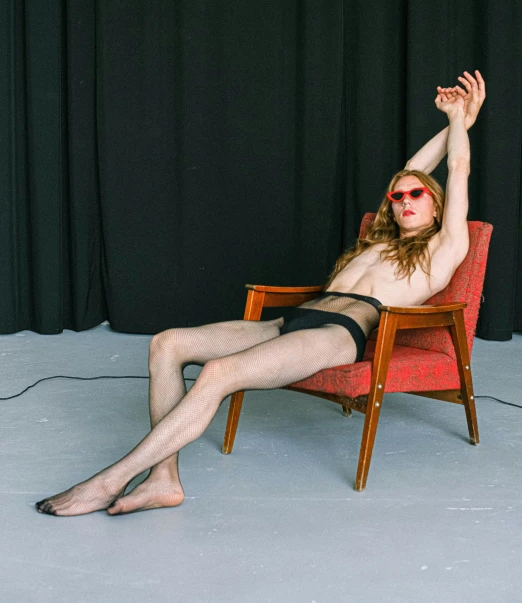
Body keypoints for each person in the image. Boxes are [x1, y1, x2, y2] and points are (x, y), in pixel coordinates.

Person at [36, 70, 486, 516]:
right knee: (167, 343)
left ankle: (109, 480)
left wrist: (462, 122)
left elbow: (457, 167)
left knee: (217, 373)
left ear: (437, 205)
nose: (405, 199)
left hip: (339, 334)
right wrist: (447, 119)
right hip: (295, 318)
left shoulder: (444, 248)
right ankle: (162, 479)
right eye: (398, 196)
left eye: (417, 195)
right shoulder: (379, 241)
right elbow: (409, 171)